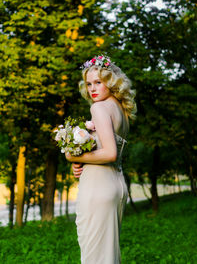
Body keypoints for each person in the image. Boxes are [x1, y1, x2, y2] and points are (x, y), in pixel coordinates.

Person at [66, 55, 136, 264]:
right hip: (116, 185)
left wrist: (72, 155)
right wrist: (83, 163)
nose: (92, 89)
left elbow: (110, 153)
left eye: (98, 82)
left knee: (95, 257)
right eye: (88, 84)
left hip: (98, 189)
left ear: (111, 82)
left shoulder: (98, 108)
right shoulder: (121, 109)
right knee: (107, 256)